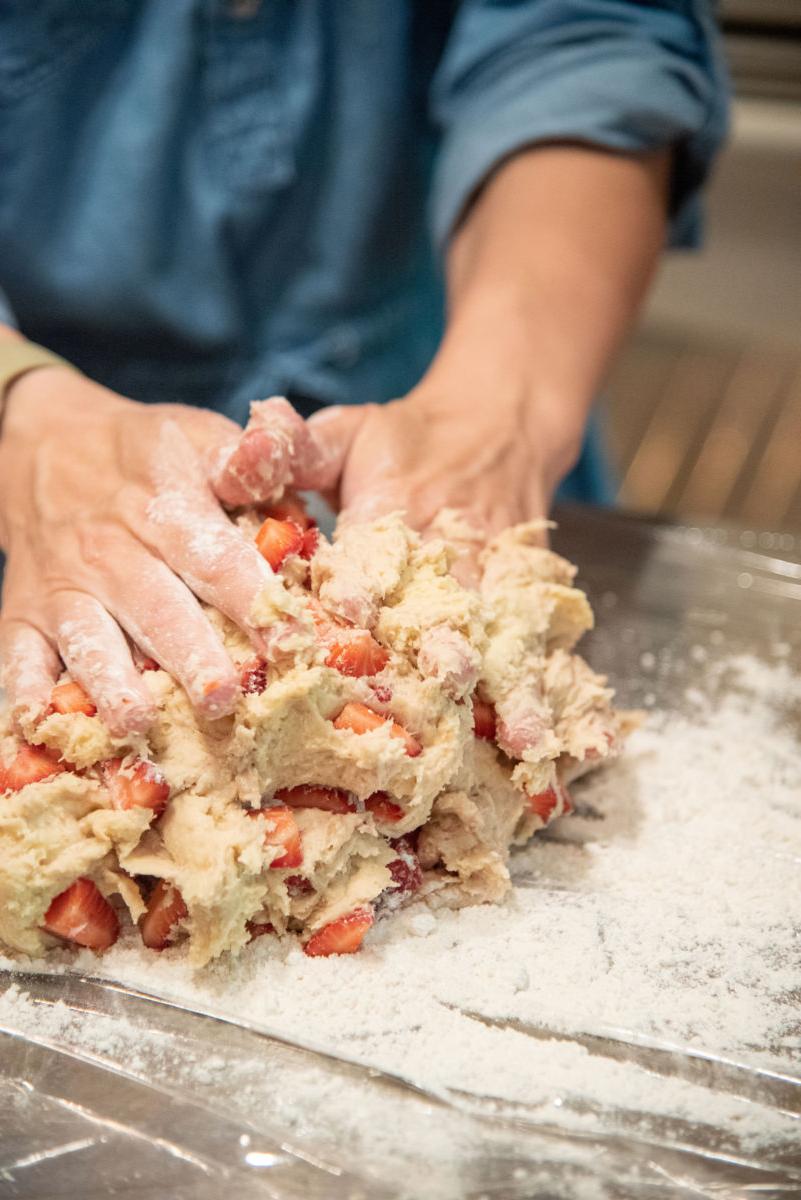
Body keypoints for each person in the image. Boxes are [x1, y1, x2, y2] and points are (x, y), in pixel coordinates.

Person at [0, 1, 728, 735]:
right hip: (41, 489)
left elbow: (586, 44)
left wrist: (496, 407)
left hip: (457, 408)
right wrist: (22, 410)